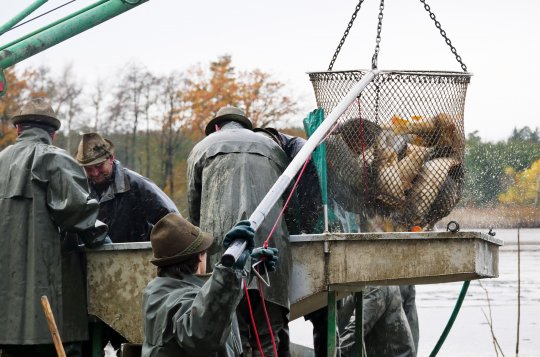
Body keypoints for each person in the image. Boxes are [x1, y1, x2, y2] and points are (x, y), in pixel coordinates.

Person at [0, 98, 108, 357]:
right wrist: (101, 235)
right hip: (51, 312)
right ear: (53, 134)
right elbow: (79, 214)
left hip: (5, 315)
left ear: (18, 129)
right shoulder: (54, 159)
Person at [187, 106, 291, 356]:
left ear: (216, 127)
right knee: (268, 335)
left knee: (233, 331)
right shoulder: (272, 147)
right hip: (272, 246)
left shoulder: (203, 147)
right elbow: (289, 200)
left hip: (224, 247)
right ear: (245, 125)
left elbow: (194, 205)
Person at [142, 214, 278, 356]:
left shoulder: (157, 290)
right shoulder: (179, 300)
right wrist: (230, 270)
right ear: (200, 256)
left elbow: (208, 296)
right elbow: (201, 330)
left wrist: (246, 268)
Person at [75, 132, 179, 243]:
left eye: (98, 166)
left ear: (110, 158)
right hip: (93, 259)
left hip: (135, 257)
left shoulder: (137, 185)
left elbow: (174, 222)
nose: (95, 173)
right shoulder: (79, 191)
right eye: (88, 169)